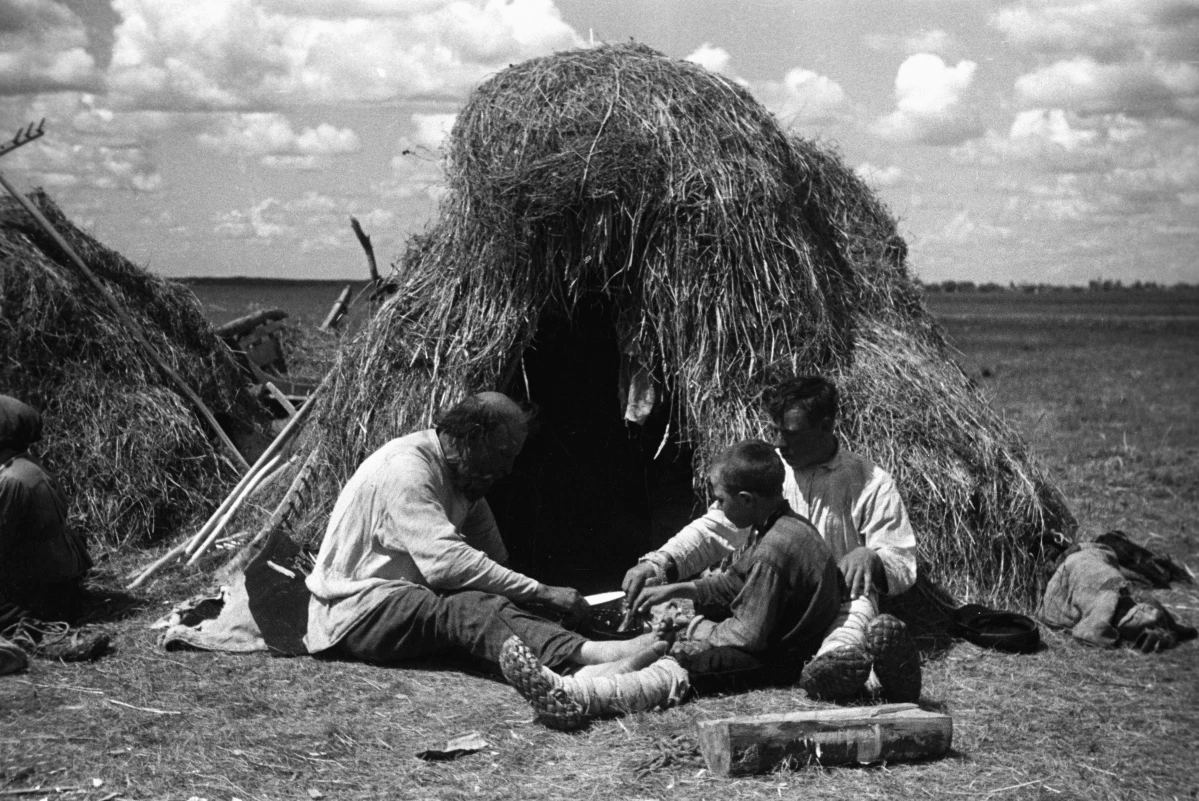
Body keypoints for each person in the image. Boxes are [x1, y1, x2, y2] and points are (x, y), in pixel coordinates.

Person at [304, 392, 687, 725]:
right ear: (471, 438)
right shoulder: (408, 470)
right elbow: (449, 565)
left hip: (399, 606)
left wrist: (535, 600)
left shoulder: (464, 482)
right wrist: (541, 591)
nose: (507, 470)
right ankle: (594, 657)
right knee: (463, 608)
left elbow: (498, 566)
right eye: (502, 455)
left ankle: (581, 668)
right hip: (356, 614)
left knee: (495, 601)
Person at [622, 375, 920, 702]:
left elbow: (902, 562)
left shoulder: (869, 482)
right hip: (778, 600)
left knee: (856, 612)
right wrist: (661, 563)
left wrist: (872, 557)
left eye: (790, 433)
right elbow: (716, 527)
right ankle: (855, 674)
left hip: (841, 601)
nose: (779, 443)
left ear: (825, 426)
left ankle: (842, 666)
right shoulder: (772, 473)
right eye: (775, 430)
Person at [628, 440, 842, 694]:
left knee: (700, 666)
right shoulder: (782, 524)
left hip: (788, 654)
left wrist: (695, 628)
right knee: (707, 607)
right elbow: (735, 582)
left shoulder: (773, 549)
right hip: (776, 625)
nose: (718, 507)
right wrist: (675, 590)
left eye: (720, 500)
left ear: (746, 500)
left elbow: (747, 636)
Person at [1, 395, 110, 675]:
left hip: (39, 595)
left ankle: (26, 630)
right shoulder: (25, 466)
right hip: (55, 585)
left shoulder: (12, 480)